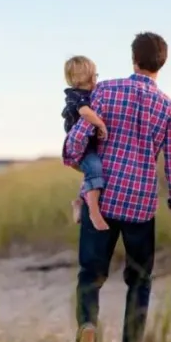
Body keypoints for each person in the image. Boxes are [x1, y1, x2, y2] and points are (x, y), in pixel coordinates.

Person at [63, 32, 171, 342]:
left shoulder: (105, 90)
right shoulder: (169, 108)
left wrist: (76, 155)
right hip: (140, 206)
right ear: (161, 64)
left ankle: (88, 330)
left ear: (133, 58)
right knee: (139, 280)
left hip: (104, 199)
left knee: (90, 276)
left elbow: (76, 141)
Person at [61, 56, 110, 231]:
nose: (96, 79)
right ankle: (94, 213)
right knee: (95, 169)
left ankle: (79, 203)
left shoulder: (91, 94)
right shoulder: (76, 96)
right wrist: (100, 123)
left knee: (92, 173)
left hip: (90, 144)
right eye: (93, 76)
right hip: (81, 148)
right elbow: (85, 113)